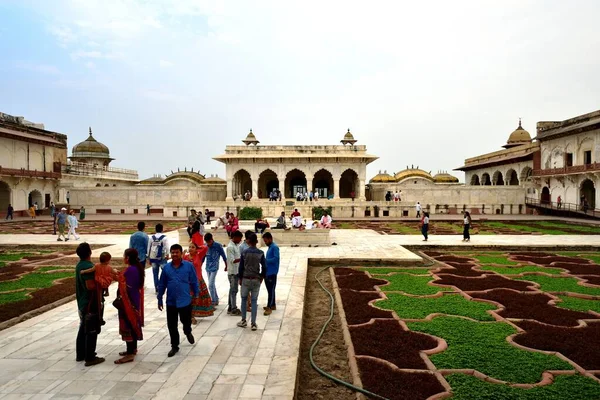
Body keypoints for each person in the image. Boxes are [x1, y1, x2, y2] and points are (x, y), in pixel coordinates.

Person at [157, 244, 199, 357]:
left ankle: (187, 331)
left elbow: (194, 281)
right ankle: (174, 345)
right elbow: (162, 284)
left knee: (186, 321)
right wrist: (160, 298)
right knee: (172, 325)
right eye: (173, 252)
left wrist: (196, 294)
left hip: (185, 300)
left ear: (181, 253)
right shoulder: (166, 268)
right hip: (171, 301)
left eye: (177, 252)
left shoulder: (188, 266)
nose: (174, 254)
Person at [75, 242, 104, 366]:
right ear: (89, 252)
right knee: (91, 329)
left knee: (83, 328)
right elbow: (90, 286)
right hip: (89, 302)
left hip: (82, 301)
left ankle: (81, 354)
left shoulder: (79, 265)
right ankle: (90, 357)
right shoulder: (88, 266)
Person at [114, 248, 145, 364]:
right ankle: (133, 349)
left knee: (129, 324)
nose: (123, 258)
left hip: (129, 302)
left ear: (127, 258)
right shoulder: (136, 268)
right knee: (133, 323)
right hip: (133, 300)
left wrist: (118, 277)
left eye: (124, 256)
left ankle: (130, 353)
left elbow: (127, 286)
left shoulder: (131, 270)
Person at [237, 233, 266, 331]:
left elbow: (241, 268)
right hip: (256, 279)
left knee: (244, 299)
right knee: (254, 301)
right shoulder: (261, 253)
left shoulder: (244, 253)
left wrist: (240, 278)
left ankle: (243, 320)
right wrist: (261, 277)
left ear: (248, 241)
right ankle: (253, 323)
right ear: (256, 242)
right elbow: (264, 267)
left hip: (245, 278)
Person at [80, 251, 118, 325]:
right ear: (107, 260)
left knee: (99, 297)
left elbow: (90, 270)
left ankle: (99, 316)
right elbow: (114, 273)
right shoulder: (109, 268)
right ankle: (106, 291)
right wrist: (119, 272)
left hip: (98, 283)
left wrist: (83, 271)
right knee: (108, 280)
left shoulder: (97, 266)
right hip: (105, 283)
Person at [184, 242, 214, 323]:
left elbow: (205, 248)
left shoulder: (199, 256)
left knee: (196, 299)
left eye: (193, 247)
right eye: (189, 247)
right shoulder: (185, 257)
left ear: (196, 249)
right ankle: (191, 316)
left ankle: (192, 315)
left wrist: (198, 246)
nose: (190, 248)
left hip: (198, 280)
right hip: (188, 282)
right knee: (190, 299)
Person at [204, 232, 227, 306]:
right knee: (212, 284)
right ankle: (216, 299)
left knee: (210, 284)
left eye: (209, 242)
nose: (208, 244)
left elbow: (223, 256)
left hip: (214, 267)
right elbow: (202, 257)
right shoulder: (205, 246)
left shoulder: (218, 246)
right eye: (207, 242)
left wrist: (226, 265)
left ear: (212, 239)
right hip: (207, 267)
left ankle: (213, 301)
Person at [147, 224, 169, 292]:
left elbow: (148, 248)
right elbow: (167, 247)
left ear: (155, 229)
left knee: (155, 273)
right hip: (162, 257)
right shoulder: (164, 238)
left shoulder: (151, 238)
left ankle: (157, 287)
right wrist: (167, 254)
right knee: (165, 272)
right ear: (162, 229)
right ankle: (163, 286)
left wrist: (148, 257)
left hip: (153, 257)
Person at [226, 230, 243, 316]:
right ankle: (233, 308)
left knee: (232, 290)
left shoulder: (236, 246)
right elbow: (232, 260)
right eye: (239, 238)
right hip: (233, 272)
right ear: (235, 237)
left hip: (236, 271)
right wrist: (242, 259)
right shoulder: (230, 247)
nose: (240, 240)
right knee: (234, 291)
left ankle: (230, 306)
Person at [262, 232, 279, 316]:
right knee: (270, 290)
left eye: (266, 241)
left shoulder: (274, 247)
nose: (265, 243)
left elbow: (276, 259)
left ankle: (269, 307)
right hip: (268, 271)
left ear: (270, 239)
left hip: (272, 272)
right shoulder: (270, 247)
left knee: (271, 290)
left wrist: (266, 261)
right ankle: (273, 305)